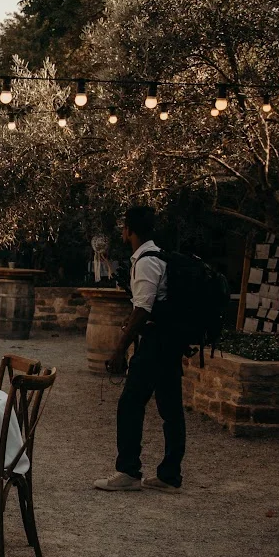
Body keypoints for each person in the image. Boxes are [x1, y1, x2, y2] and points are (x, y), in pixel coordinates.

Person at [96, 206, 184, 492]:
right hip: (169, 340)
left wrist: (119, 349)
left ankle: (128, 471)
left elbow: (143, 309)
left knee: (131, 403)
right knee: (170, 407)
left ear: (128, 230)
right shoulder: (159, 256)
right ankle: (170, 475)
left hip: (156, 342)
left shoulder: (146, 261)